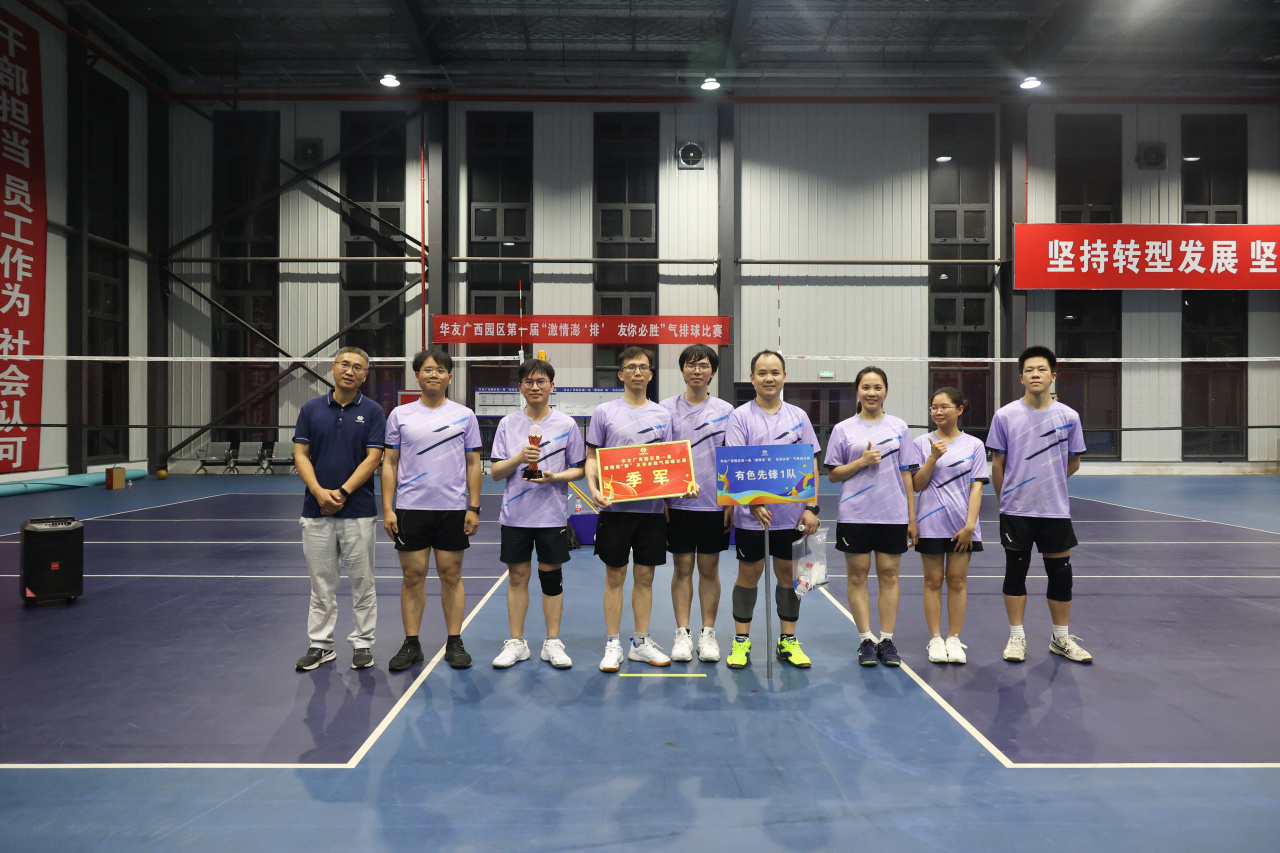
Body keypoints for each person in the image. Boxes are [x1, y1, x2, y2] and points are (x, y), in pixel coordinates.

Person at [584, 346, 695, 672]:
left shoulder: (663, 415)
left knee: (645, 578)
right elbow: (592, 458)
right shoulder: (604, 412)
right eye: (631, 367)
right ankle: (613, 644)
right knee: (615, 576)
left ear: (650, 374)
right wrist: (594, 489)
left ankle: (640, 643)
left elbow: (671, 462)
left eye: (643, 367)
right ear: (621, 374)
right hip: (615, 511)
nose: (637, 372)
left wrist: (684, 485)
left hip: (651, 513)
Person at [988, 345, 1092, 664]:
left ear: (1053, 376)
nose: (1035, 374)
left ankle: (1060, 638)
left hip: (1054, 510)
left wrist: (1049, 482)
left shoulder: (1069, 417)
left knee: (1061, 575)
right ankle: (1017, 636)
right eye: (1029, 370)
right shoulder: (1005, 416)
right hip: (1016, 511)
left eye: (1042, 369)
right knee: (1015, 573)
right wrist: (1006, 500)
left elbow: (1073, 461)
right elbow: (997, 464)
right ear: (1021, 377)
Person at [382, 347, 483, 672]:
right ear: (417, 376)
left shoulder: (465, 415)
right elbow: (390, 463)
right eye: (427, 369)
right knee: (412, 576)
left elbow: (473, 463)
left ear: (449, 377)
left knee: (451, 575)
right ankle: (412, 644)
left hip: (451, 509)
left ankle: (454, 642)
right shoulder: (400, 415)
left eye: (440, 370)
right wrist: (388, 509)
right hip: (410, 509)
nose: (434, 375)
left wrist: (473, 506)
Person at [724, 350, 821, 670]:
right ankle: (741, 641)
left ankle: (788, 640)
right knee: (748, 576)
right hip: (753, 518)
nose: (769, 378)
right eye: (762, 373)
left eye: (775, 372)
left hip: (791, 517)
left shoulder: (798, 416)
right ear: (752, 378)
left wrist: (811, 507)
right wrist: (753, 504)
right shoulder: (740, 417)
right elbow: (735, 465)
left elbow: (810, 464)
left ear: (784, 377)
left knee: (789, 577)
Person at [292, 347, 386, 671]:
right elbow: (300, 454)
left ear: (365, 375)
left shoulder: (373, 411)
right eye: (344, 364)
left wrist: (343, 492)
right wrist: (319, 493)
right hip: (316, 511)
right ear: (333, 368)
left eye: (358, 367)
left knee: (363, 582)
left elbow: (374, 458)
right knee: (321, 584)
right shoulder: (310, 409)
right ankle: (321, 645)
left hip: (358, 511)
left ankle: (362, 644)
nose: (350, 370)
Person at [488, 358, 586, 670]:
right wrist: (518, 458)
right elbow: (495, 472)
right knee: (517, 577)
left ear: (551, 386)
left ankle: (552, 642)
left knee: (551, 578)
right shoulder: (508, 424)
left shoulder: (567, 425)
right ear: (520, 387)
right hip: (515, 516)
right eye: (528, 382)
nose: (535, 387)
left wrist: (555, 477)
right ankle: (516, 642)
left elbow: (580, 469)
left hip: (551, 516)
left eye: (541, 381)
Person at [824, 366, 920, 668]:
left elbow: (906, 473)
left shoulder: (899, 427)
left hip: (892, 514)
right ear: (858, 391)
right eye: (866, 387)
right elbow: (833, 474)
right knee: (858, 576)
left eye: (877, 387)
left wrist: (911, 517)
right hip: (855, 514)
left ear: (886, 391)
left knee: (890, 575)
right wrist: (861, 462)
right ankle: (866, 639)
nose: (871, 393)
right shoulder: (843, 429)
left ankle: (887, 640)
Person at [660, 343, 734, 663]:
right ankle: (682, 633)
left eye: (703, 365)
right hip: (678, 505)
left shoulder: (726, 411)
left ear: (712, 372)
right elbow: (660, 457)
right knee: (682, 568)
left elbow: (732, 457)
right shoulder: (665, 409)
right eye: (691, 365)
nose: (697, 370)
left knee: (709, 568)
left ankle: (707, 633)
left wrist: (730, 502)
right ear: (682, 370)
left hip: (713, 505)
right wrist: (663, 499)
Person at [911, 386, 988, 665]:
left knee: (957, 581)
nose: (938, 411)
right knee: (932, 581)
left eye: (944, 407)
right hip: (930, 523)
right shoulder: (921, 443)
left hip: (962, 526)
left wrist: (970, 526)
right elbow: (917, 485)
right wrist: (933, 458)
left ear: (959, 409)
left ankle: (954, 638)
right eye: (934, 407)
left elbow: (977, 487)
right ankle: (935, 638)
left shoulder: (974, 445)